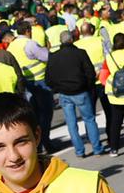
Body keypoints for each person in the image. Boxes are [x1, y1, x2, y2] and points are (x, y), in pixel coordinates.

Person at [45, 29, 105, 159]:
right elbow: (90, 72)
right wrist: (88, 86)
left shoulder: (54, 57)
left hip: (64, 93)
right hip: (80, 91)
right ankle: (97, 148)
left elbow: (48, 79)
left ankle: (79, 151)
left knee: (71, 124)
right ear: (71, 40)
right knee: (89, 119)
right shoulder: (80, 53)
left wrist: (57, 88)